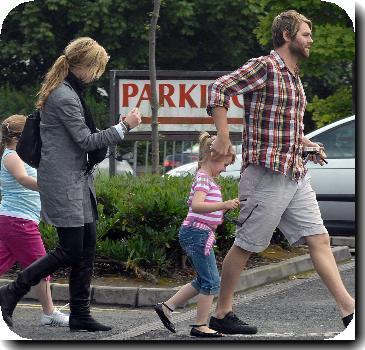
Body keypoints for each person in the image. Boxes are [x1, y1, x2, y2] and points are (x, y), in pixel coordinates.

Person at [206, 10, 355, 335]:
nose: (311, 39)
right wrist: (222, 135)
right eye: (305, 34)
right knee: (246, 245)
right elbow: (219, 88)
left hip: (294, 173)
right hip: (265, 175)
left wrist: (306, 145)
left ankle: (349, 311)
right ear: (287, 36)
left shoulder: (293, 76)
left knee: (319, 239)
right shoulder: (265, 67)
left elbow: (282, 127)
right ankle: (222, 312)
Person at [0, 37, 142, 332]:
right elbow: (86, 141)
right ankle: (12, 291)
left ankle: (79, 314)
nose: (97, 75)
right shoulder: (64, 96)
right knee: (69, 250)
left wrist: (117, 128)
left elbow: (83, 142)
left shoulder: (71, 92)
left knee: (86, 248)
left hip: (78, 180)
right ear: (83, 65)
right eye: (97, 68)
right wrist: (124, 126)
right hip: (63, 182)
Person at [154, 132, 239, 337]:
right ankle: (200, 326)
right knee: (211, 282)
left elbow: (204, 208)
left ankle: (166, 307)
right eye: (225, 164)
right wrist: (224, 204)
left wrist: (223, 209)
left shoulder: (206, 178)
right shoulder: (203, 179)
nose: (225, 169)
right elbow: (197, 205)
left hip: (197, 233)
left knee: (203, 280)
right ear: (215, 157)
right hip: (197, 234)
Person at [0, 115, 69, 327]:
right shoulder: (11, 156)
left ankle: (49, 312)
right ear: (20, 136)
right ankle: (49, 313)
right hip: (18, 222)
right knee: (40, 265)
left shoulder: (20, 154)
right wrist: (49, 185)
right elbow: (22, 179)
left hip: (13, 221)